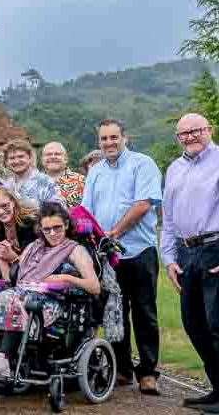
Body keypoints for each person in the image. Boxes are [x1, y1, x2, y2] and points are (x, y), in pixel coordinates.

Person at [0, 204, 102, 379]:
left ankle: (4, 359)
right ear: (40, 229)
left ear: (66, 225)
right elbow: (17, 279)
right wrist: (3, 262)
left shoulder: (75, 249)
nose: (53, 233)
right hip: (24, 294)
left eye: (57, 228)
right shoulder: (33, 248)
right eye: (47, 229)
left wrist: (67, 278)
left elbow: (94, 287)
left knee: (15, 300)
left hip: (54, 304)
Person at [84, 117, 163, 395]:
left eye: (113, 137)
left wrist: (114, 232)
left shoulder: (143, 164)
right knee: (114, 312)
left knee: (144, 312)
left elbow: (143, 205)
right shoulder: (95, 172)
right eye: (104, 139)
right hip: (108, 257)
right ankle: (123, 370)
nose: (109, 143)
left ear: (124, 137)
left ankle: (148, 372)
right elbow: (87, 212)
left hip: (139, 250)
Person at [162, 114, 219, 410]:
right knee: (194, 323)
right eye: (183, 133)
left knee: (217, 323)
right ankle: (217, 389)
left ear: (208, 130)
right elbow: (168, 219)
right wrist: (169, 258)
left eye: (195, 131)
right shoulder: (174, 168)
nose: (189, 137)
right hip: (186, 253)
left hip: (215, 248)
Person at [0, 140, 57, 210]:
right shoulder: (6, 186)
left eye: (20, 156)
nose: (16, 161)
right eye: (12, 158)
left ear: (30, 158)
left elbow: (56, 212)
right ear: (6, 162)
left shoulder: (46, 182)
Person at [42, 141, 87, 207]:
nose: (53, 157)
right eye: (48, 154)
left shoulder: (82, 181)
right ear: (42, 159)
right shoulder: (33, 183)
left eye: (57, 154)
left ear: (66, 159)